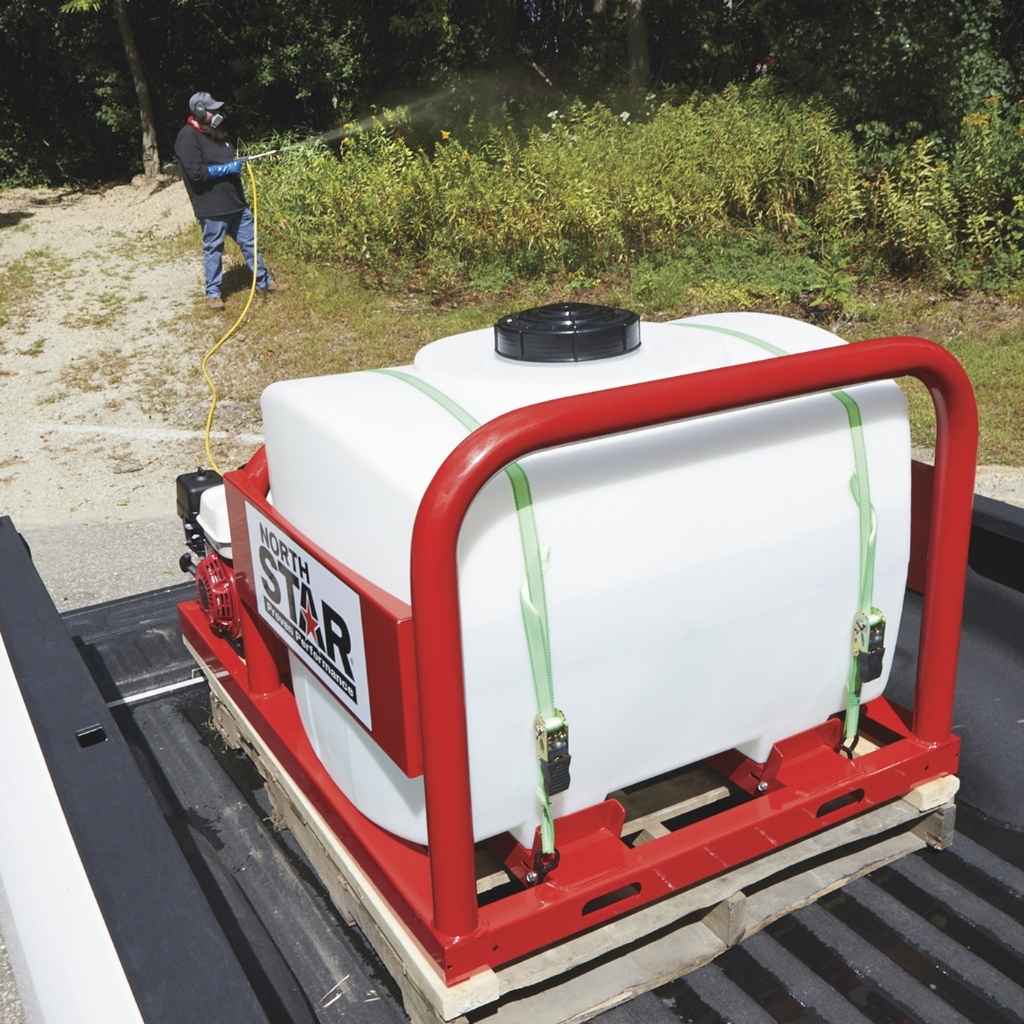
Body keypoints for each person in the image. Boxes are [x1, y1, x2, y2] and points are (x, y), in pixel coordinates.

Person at [173, 91, 282, 309]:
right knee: (214, 249)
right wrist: (227, 168)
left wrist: (236, 163)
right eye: (212, 109)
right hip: (211, 208)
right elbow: (196, 173)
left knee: (251, 244)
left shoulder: (216, 133)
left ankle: (264, 282)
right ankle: (213, 293)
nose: (217, 113)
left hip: (236, 205)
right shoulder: (187, 137)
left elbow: (227, 158)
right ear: (200, 111)